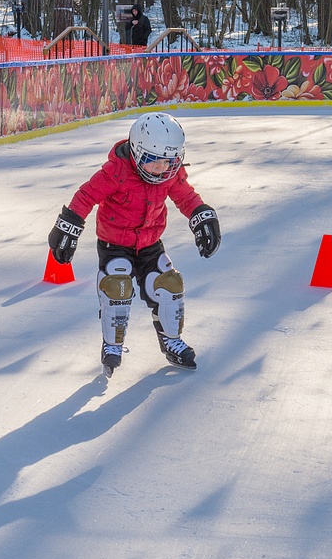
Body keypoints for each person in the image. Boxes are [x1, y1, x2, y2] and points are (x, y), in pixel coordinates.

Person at [47, 112, 221, 376]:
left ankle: (171, 339)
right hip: (115, 243)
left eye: (170, 162)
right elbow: (86, 195)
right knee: (117, 287)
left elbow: (186, 196)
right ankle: (113, 345)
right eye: (154, 162)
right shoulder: (116, 171)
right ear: (138, 153)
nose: (163, 169)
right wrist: (69, 224)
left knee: (169, 284)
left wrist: (201, 214)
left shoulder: (169, 174)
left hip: (150, 243)